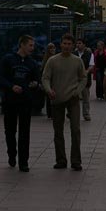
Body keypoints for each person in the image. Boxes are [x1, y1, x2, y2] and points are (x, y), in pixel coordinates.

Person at [0, 34, 41, 172]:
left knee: (24, 132)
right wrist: (11, 87)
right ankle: (12, 154)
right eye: (30, 45)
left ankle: (23, 161)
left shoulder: (32, 63)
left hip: (25, 101)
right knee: (10, 130)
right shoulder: (8, 59)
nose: (32, 48)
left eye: (33, 46)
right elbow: (0, 77)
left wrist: (34, 84)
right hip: (10, 101)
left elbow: (36, 79)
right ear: (22, 44)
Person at [41, 33, 86, 170]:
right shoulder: (53, 61)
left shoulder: (77, 61)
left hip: (72, 99)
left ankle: (76, 161)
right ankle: (61, 160)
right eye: (64, 43)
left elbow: (83, 78)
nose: (66, 46)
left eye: (69, 44)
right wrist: (49, 90)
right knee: (58, 131)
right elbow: (45, 78)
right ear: (60, 44)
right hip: (57, 99)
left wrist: (77, 91)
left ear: (72, 46)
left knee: (75, 130)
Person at [73, 38, 94, 121]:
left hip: (85, 79)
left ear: (84, 45)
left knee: (85, 97)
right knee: (74, 97)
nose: (78, 45)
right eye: (77, 43)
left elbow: (91, 65)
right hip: (74, 79)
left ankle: (86, 114)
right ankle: (72, 113)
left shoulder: (89, 54)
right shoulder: (73, 54)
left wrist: (86, 72)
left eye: (80, 43)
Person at [40, 42, 57, 118]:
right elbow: (43, 70)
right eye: (51, 48)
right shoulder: (47, 58)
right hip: (49, 80)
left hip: (55, 79)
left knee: (53, 96)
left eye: (53, 48)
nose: (52, 49)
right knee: (49, 96)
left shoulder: (56, 58)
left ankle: (52, 113)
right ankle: (50, 113)